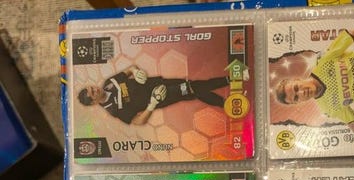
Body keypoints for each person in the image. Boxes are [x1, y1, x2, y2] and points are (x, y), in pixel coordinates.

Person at [77, 64, 246, 125]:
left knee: (193, 90)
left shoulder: (109, 82)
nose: (95, 89)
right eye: (93, 93)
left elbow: (129, 70)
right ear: (93, 103)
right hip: (161, 96)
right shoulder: (114, 109)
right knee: (191, 88)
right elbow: (137, 121)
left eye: (92, 88)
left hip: (158, 83)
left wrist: (136, 72)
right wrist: (152, 104)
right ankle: (231, 79)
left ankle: (226, 103)